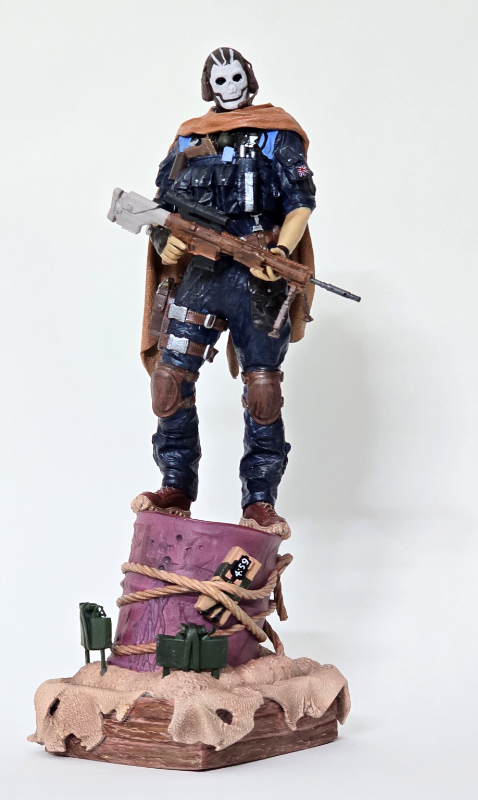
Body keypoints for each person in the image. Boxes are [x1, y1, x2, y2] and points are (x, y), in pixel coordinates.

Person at [131, 47, 317, 538]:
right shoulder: (190, 136)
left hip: (259, 275)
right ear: (208, 86)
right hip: (202, 274)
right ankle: (175, 486)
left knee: (263, 391)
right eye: (220, 79)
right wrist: (164, 241)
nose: (229, 86)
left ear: (248, 80)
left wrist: (281, 251)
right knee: (169, 380)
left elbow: (300, 202)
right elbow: (162, 205)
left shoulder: (277, 133)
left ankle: (259, 501)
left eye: (236, 77)